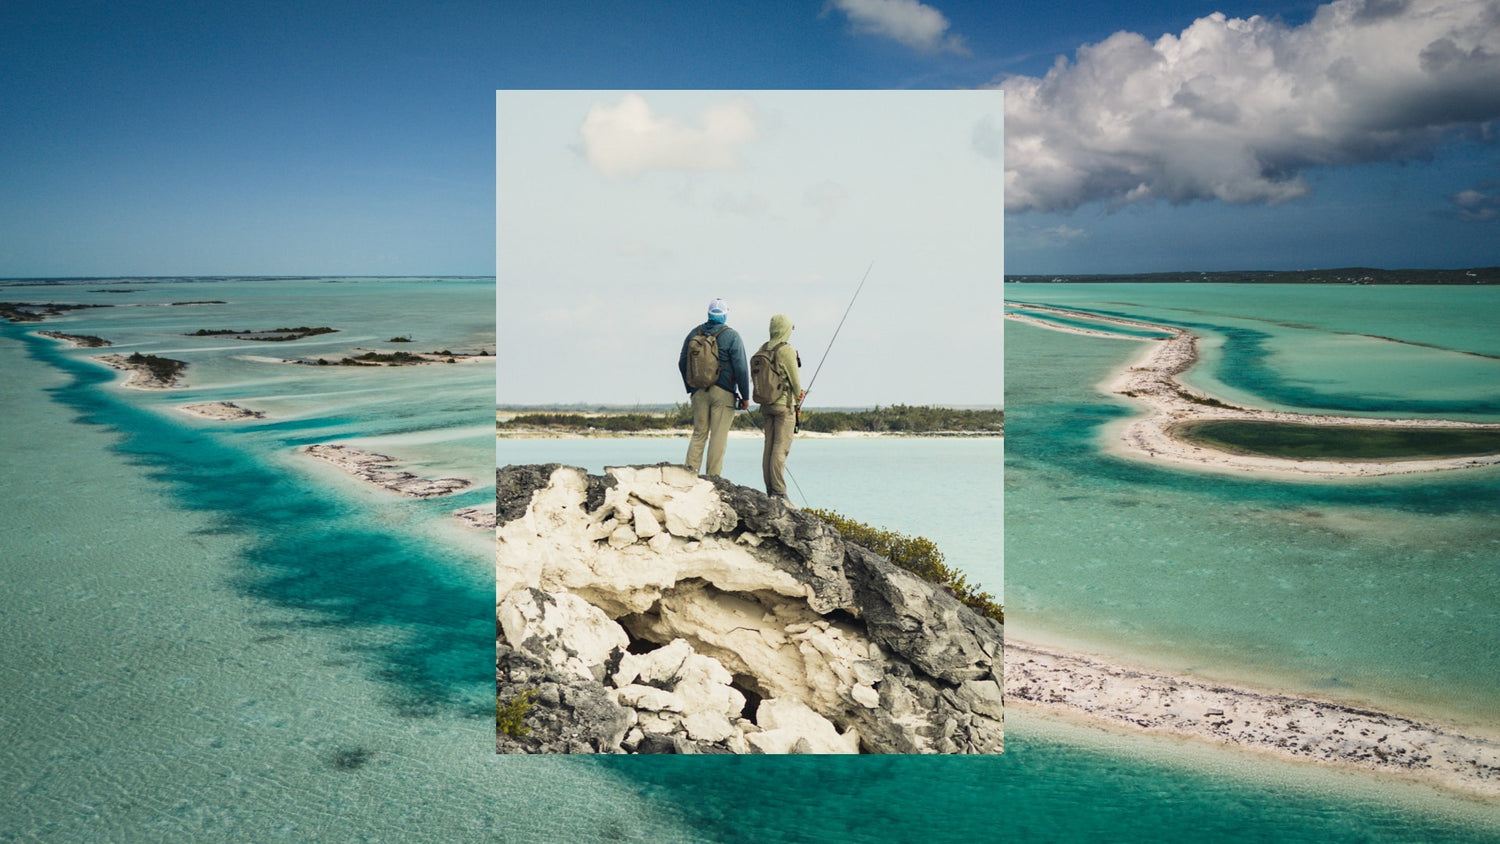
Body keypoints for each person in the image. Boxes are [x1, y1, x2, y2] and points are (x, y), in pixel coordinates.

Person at [679, 297, 750, 477]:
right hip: (724, 392)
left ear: (709, 313)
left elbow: (682, 362)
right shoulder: (732, 335)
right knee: (718, 438)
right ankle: (713, 479)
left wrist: (692, 387)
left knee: (699, 435)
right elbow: (741, 367)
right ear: (725, 314)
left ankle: (689, 476)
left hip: (699, 392)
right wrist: (745, 396)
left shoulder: (694, 333)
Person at [755, 313, 803, 502]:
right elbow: (795, 382)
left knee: (769, 447)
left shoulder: (763, 348)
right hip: (784, 406)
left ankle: (770, 489)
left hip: (766, 405)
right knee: (780, 449)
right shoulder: (786, 350)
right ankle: (779, 492)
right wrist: (799, 399)